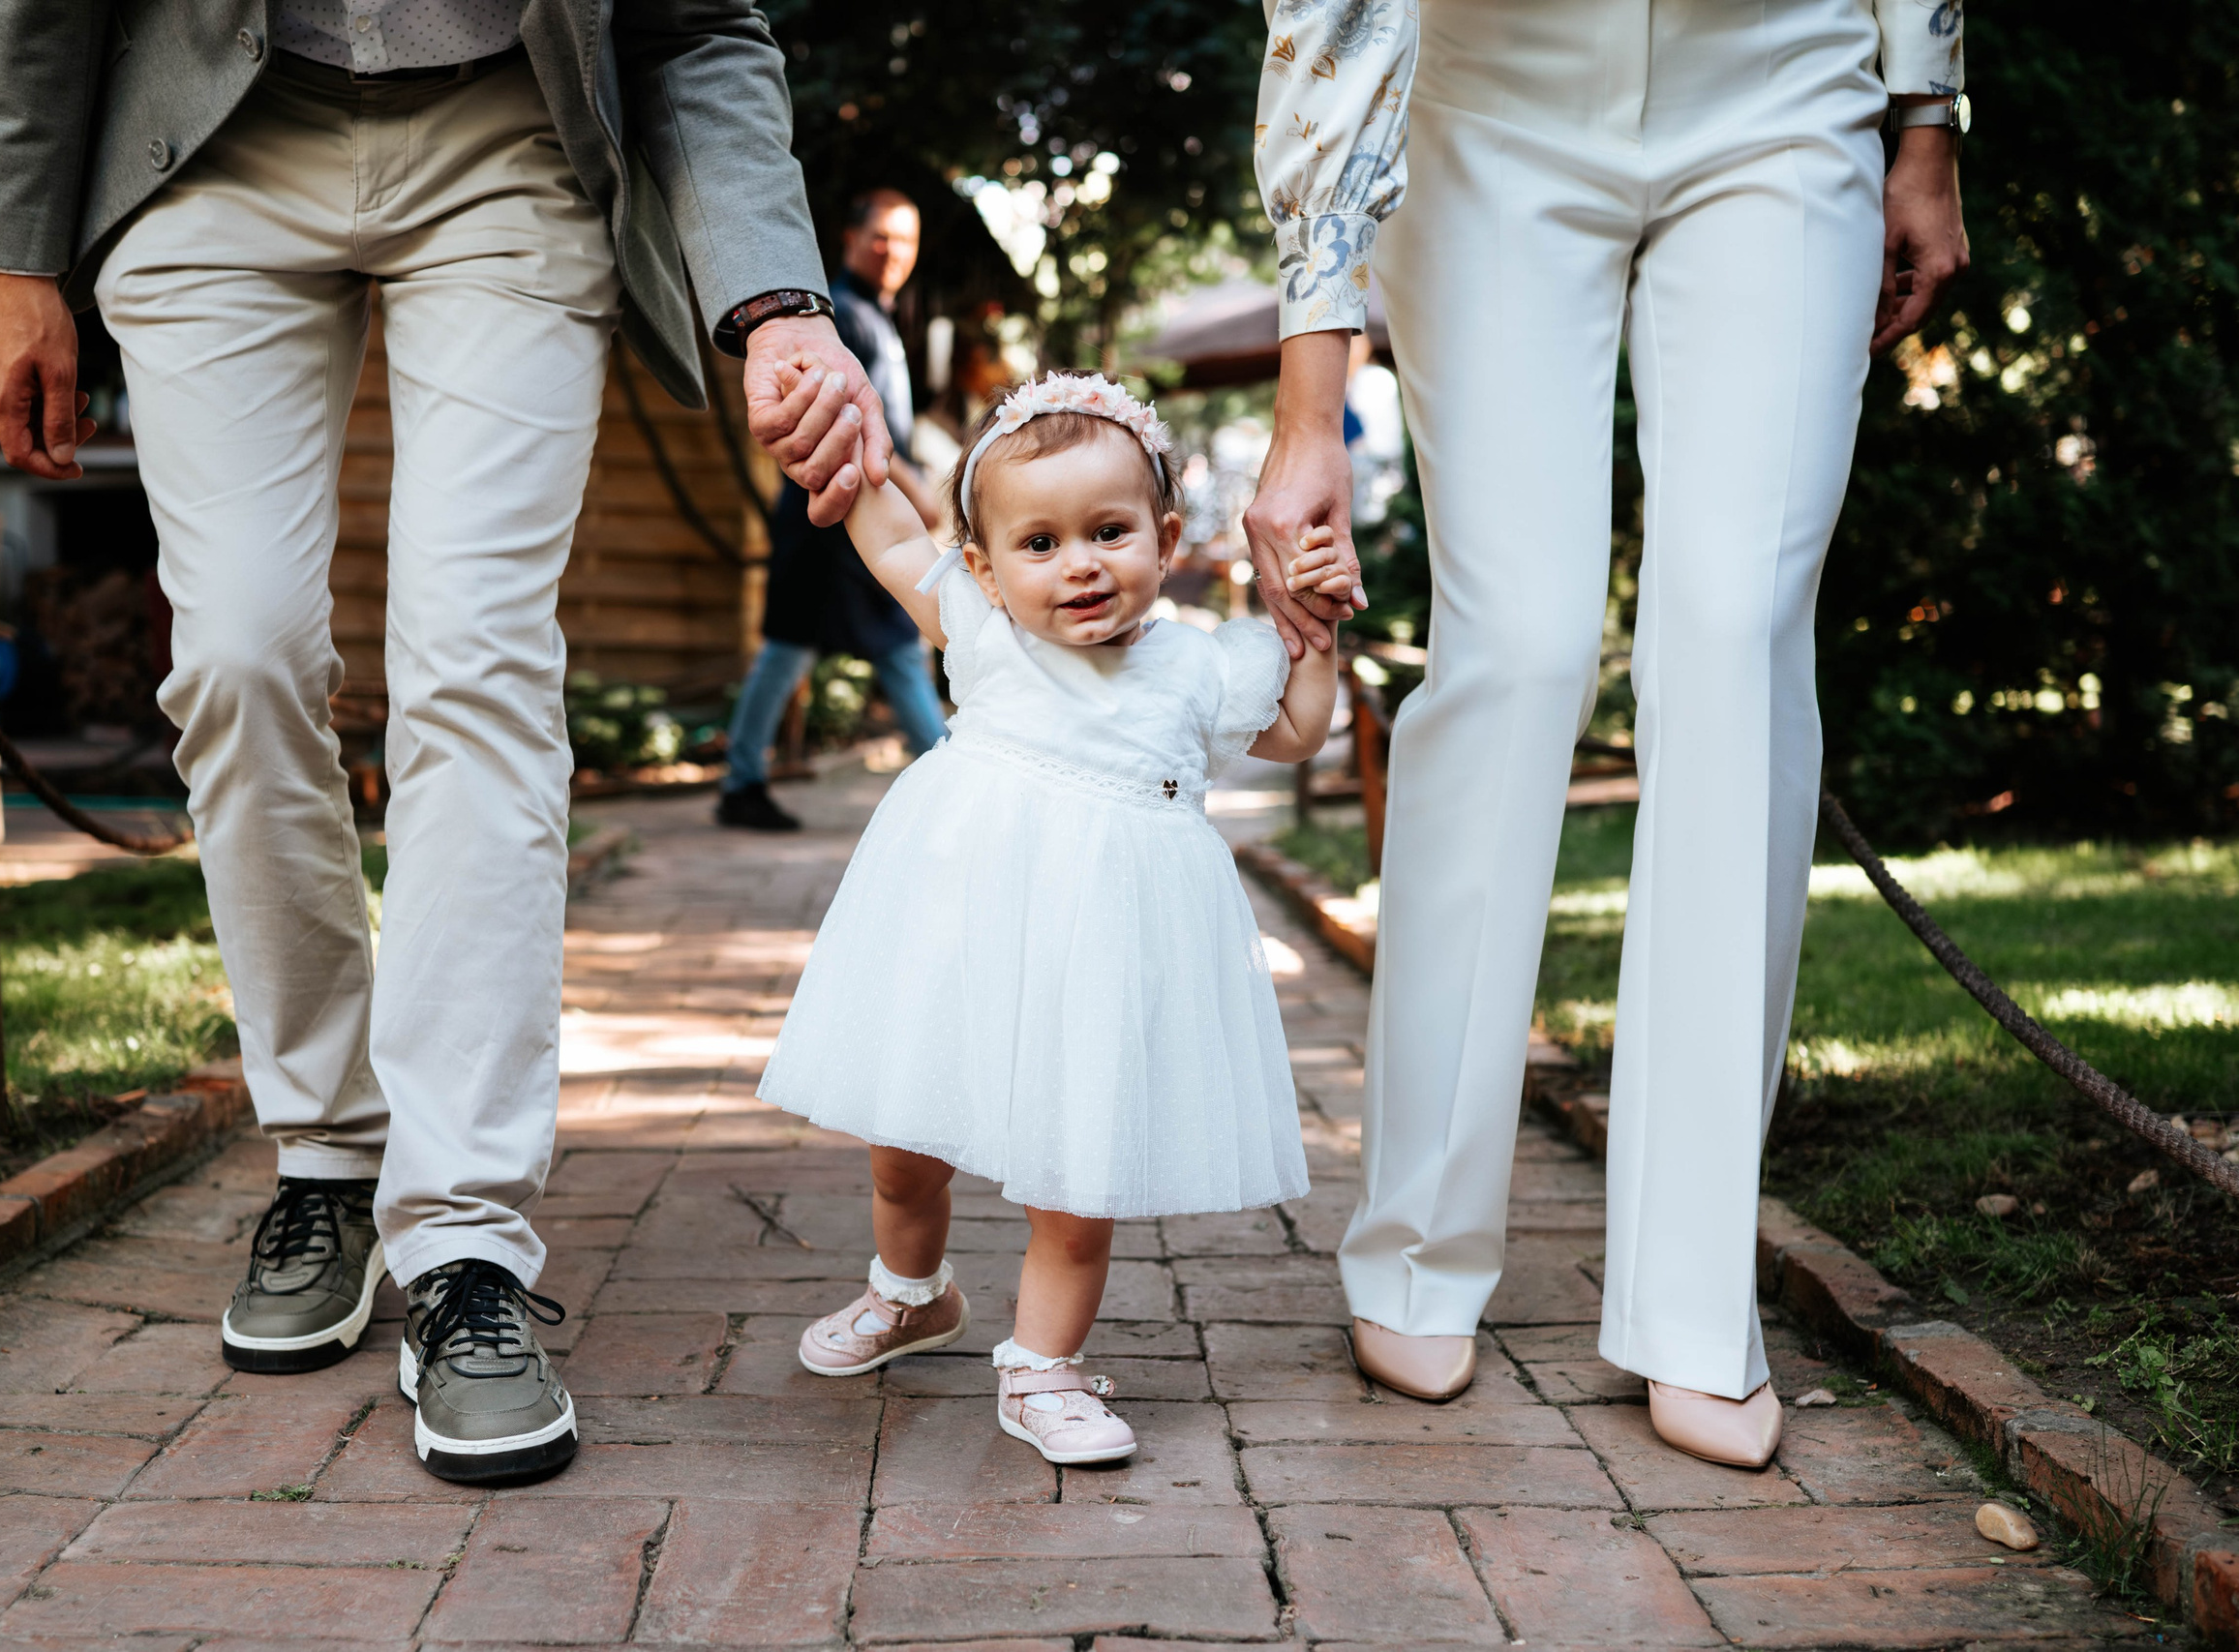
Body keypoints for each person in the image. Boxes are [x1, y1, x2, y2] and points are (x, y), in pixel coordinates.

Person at [0, 0, 894, 1487]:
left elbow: (697, 26)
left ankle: (464, 1234)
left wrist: (778, 301)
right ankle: (328, 1148)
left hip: (507, 137)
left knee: (479, 670)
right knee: (239, 655)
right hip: (208, 139)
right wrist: (14, 260)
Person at [1247, 0, 1971, 1467]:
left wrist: (1926, 120)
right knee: (1514, 646)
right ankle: (1414, 1242)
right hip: (1485, 92)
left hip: (1785, 80)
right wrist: (1309, 404)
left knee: (1735, 639)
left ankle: (1697, 1301)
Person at [757, 373, 1337, 1464]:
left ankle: (1042, 1368)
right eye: (1039, 543)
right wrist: (836, 435)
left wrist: (1318, 626)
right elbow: (891, 536)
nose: (1080, 564)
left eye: (1110, 531)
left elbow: (1300, 731)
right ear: (983, 567)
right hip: (959, 935)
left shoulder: (1202, 667)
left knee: (1077, 1179)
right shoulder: (982, 631)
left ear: (1165, 538)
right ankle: (910, 1292)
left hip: (1107, 955)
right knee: (904, 1148)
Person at [715, 189, 951, 832]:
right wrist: (918, 493)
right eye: (882, 237)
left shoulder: (876, 315)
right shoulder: (840, 314)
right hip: (831, 514)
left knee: (863, 649)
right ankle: (957, 783)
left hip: (851, 518)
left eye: (906, 240)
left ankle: (742, 779)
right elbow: (851, 418)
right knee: (857, 646)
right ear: (850, 239)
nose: (893, 252)